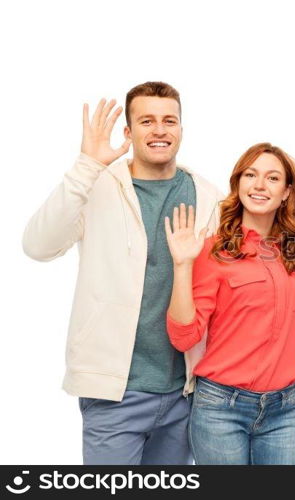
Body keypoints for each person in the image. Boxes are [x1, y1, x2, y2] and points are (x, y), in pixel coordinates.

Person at [22, 82, 223, 465]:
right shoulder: (96, 186)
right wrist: (86, 166)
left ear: (182, 128)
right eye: (146, 121)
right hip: (114, 392)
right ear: (128, 133)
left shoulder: (207, 194)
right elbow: (38, 246)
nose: (160, 130)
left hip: (186, 393)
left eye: (169, 121)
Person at [165, 143, 295, 465]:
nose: (259, 185)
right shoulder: (212, 250)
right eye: (250, 174)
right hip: (221, 408)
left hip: (286, 409)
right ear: (238, 183)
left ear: (287, 192)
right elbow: (184, 337)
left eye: (272, 178)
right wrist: (182, 265)